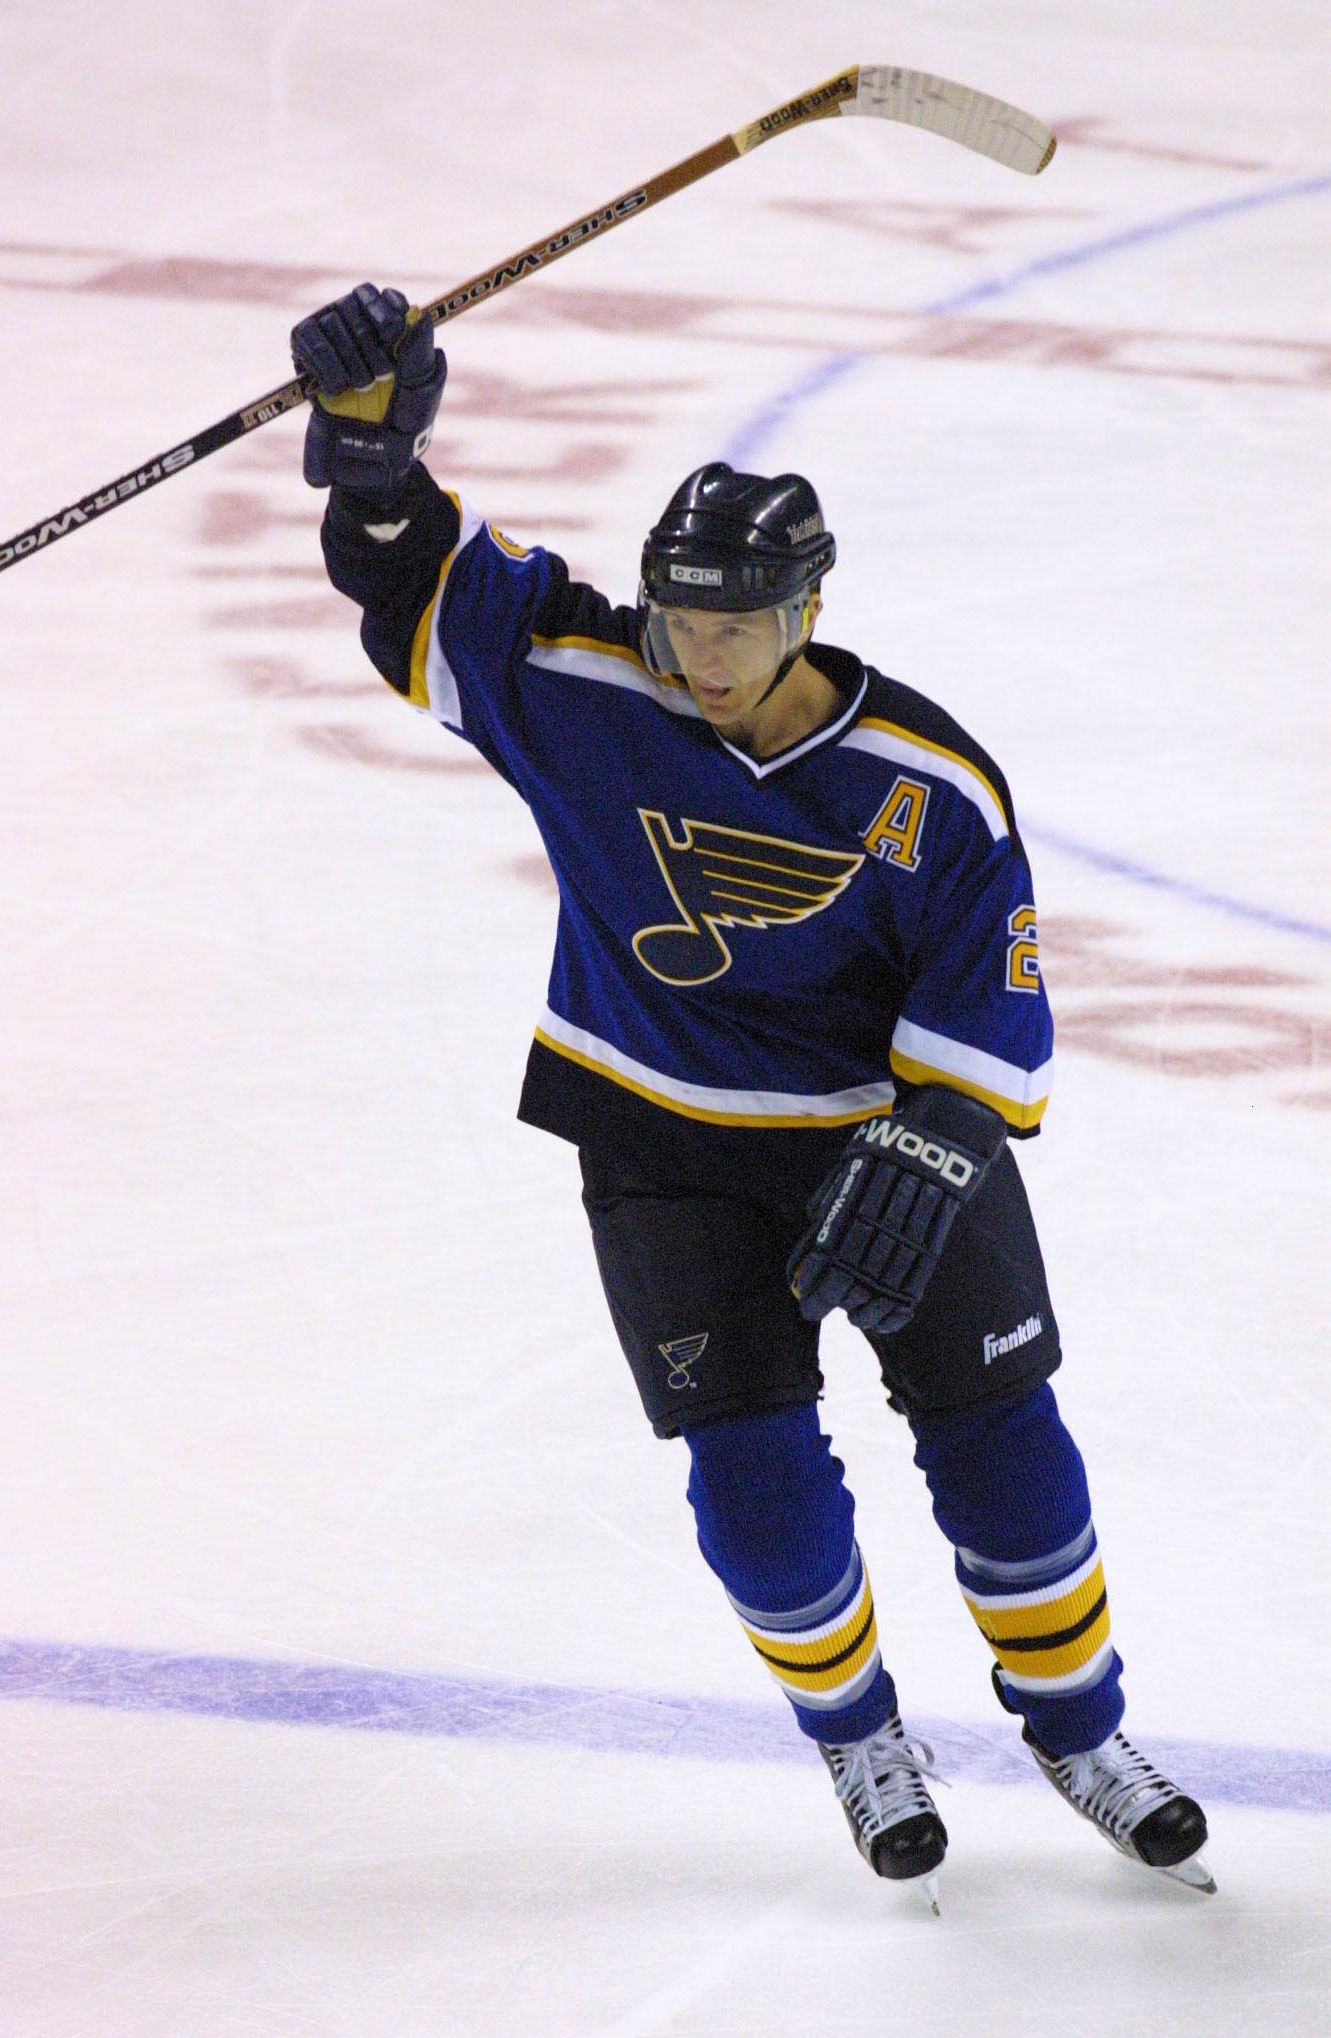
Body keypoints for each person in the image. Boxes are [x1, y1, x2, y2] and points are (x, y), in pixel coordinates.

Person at [289, 282, 1214, 1908]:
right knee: (759, 1491)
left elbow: (991, 1000)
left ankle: (1080, 1732)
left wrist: (935, 1136)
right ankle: (860, 1740)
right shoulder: (589, 686)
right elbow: (417, 586)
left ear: (805, 611)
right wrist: (371, 450)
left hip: (892, 1141)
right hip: (666, 1150)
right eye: (677, 617)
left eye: (730, 627)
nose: (695, 655)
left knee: (1005, 1446)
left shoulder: (929, 785)